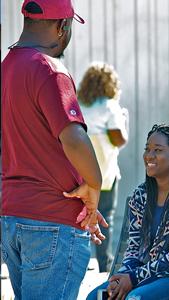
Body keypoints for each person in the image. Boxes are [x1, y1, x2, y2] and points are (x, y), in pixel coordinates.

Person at [1, 1, 107, 299]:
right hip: (53, 221)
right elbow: (73, 137)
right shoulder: (50, 69)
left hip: (13, 217)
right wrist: (94, 187)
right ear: (62, 26)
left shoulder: (6, 68)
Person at [87, 124, 169, 300]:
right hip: (148, 274)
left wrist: (133, 278)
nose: (149, 156)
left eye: (158, 150)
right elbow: (133, 248)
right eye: (147, 149)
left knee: (136, 298)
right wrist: (122, 278)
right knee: (97, 297)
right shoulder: (140, 195)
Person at [78, 62, 129, 273]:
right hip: (104, 172)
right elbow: (118, 139)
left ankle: (79, 262)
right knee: (105, 215)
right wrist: (125, 121)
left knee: (78, 215)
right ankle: (103, 264)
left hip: (79, 170)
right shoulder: (110, 106)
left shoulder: (78, 103)